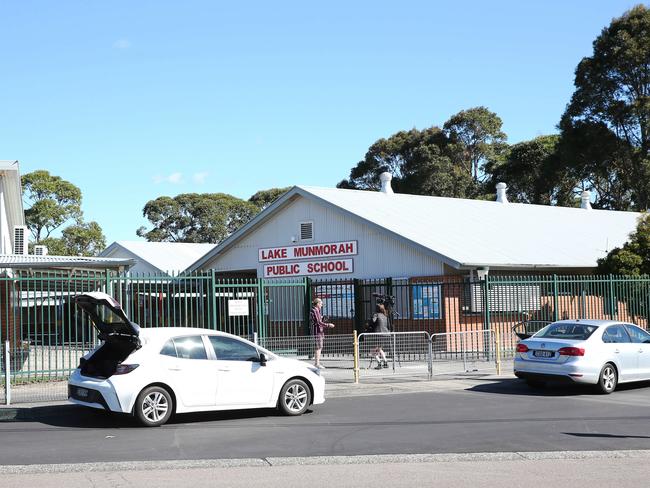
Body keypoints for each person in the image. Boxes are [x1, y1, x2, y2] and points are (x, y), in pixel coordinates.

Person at [310, 298, 334, 369]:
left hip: (319, 331)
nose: (322, 305)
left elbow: (318, 320)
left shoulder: (316, 310)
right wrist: (328, 325)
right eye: (321, 303)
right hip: (317, 331)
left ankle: (317, 362)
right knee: (318, 347)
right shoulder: (315, 310)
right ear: (317, 304)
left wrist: (322, 317)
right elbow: (318, 322)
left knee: (320, 347)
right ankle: (317, 363)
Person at [371, 303, 390, 369]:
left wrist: (373, 316)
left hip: (379, 334)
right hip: (385, 334)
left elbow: (373, 321)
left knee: (373, 350)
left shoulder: (376, 314)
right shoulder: (385, 315)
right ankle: (385, 362)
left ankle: (379, 363)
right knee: (379, 349)